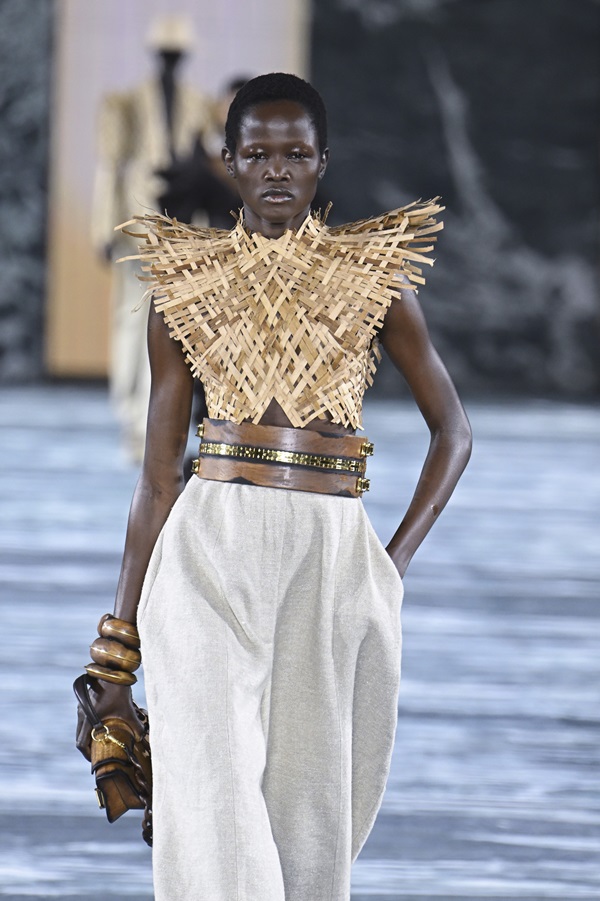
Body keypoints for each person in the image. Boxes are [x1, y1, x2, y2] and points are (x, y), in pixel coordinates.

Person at [77, 73, 472, 901]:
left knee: (309, 817)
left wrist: (389, 567)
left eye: (296, 153)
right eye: (257, 153)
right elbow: (156, 480)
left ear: (323, 161)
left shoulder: (375, 280)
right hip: (207, 548)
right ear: (228, 163)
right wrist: (116, 648)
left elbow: (454, 432)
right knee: (211, 788)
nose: (277, 170)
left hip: (329, 559)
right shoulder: (182, 286)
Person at [90, 15, 214, 463]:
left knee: (176, 328)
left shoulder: (198, 104)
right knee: (130, 322)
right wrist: (102, 227)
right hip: (136, 226)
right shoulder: (124, 104)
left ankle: (158, 424)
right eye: (165, 53)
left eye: (175, 53)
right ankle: (131, 418)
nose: (170, 61)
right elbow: (110, 166)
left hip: (180, 229)